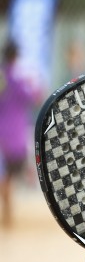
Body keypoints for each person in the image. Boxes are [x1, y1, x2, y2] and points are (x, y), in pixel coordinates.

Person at [0, 40, 40, 229]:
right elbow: (34, 97)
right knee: (10, 175)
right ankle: (8, 216)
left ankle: (7, 214)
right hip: (14, 135)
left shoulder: (2, 76)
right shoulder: (17, 79)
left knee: (7, 174)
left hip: (3, 132)